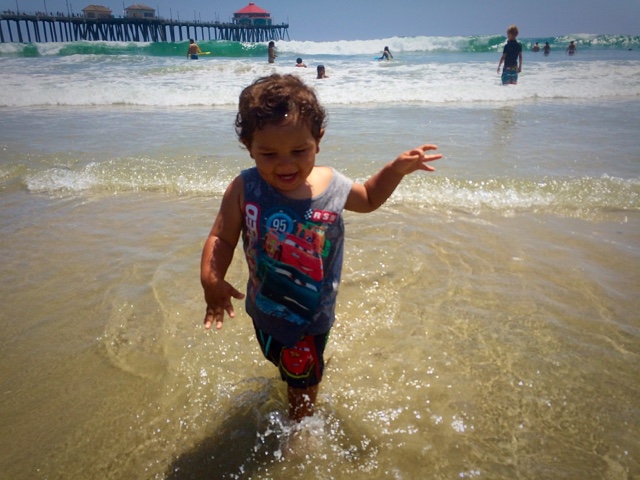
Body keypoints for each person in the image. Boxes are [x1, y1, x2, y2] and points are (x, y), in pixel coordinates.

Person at [200, 73, 442, 422]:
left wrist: (395, 170)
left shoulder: (332, 186)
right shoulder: (245, 187)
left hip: (311, 318)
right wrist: (211, 279)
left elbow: (369, 197)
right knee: (282, 362)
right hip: (264, 308)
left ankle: (301, 432)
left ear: (318, 140)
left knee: (302, 389)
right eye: (268, 153)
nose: (286, 164)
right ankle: (296, 389)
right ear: (248, 146)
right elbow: (222, 237)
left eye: (299, 151)